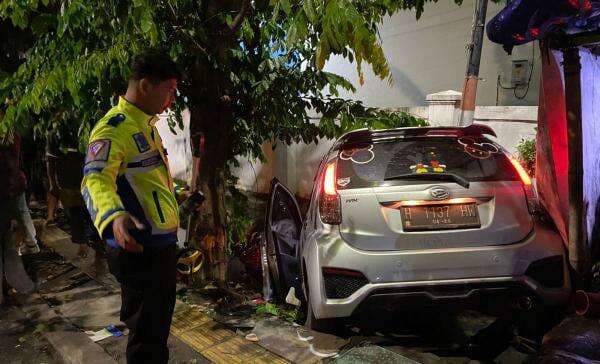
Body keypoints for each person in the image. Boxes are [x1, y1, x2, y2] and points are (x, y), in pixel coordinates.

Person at [81, 50, 181, 364]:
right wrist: (113, 217)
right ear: (145, 86)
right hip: (140, 251)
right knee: (146, 341)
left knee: (156, 335)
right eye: (169, 90)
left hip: (159, 250)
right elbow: (95, 180)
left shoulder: (146, 126)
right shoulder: (114, 128)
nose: (172, 99)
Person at [46, 128, 102, 258]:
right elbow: (50, 161)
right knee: (75, 215)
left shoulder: (87, 127)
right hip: (67, 184)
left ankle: (98, 243)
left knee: (92, 215)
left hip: (87, 182)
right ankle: (83, 244)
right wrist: (52, 183)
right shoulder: (55, 134)